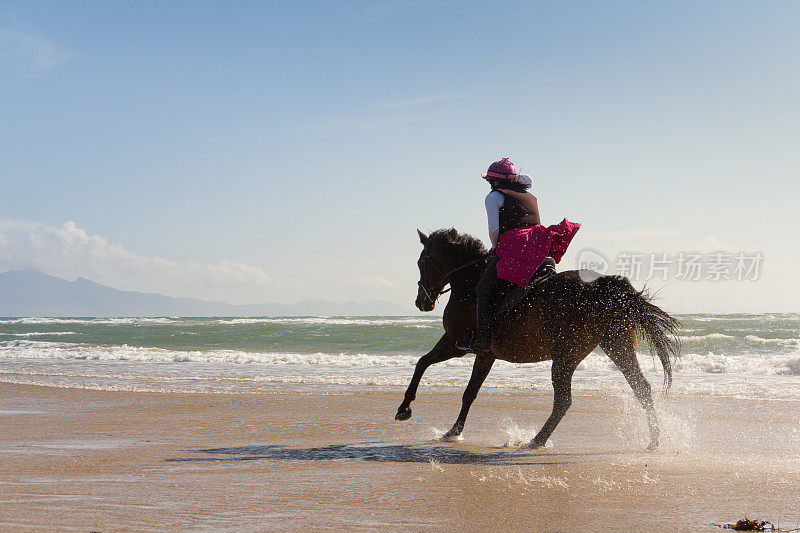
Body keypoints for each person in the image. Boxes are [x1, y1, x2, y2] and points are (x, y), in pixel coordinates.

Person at [459, 158, 580, 352]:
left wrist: (495, 247)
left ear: (495, 181)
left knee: (482, 289)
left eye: (490, 180)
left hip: (516, 245)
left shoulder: (493, 197)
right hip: (540, 244)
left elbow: (493, 229)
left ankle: (482, 340)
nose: (489, 184)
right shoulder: (529, 195)